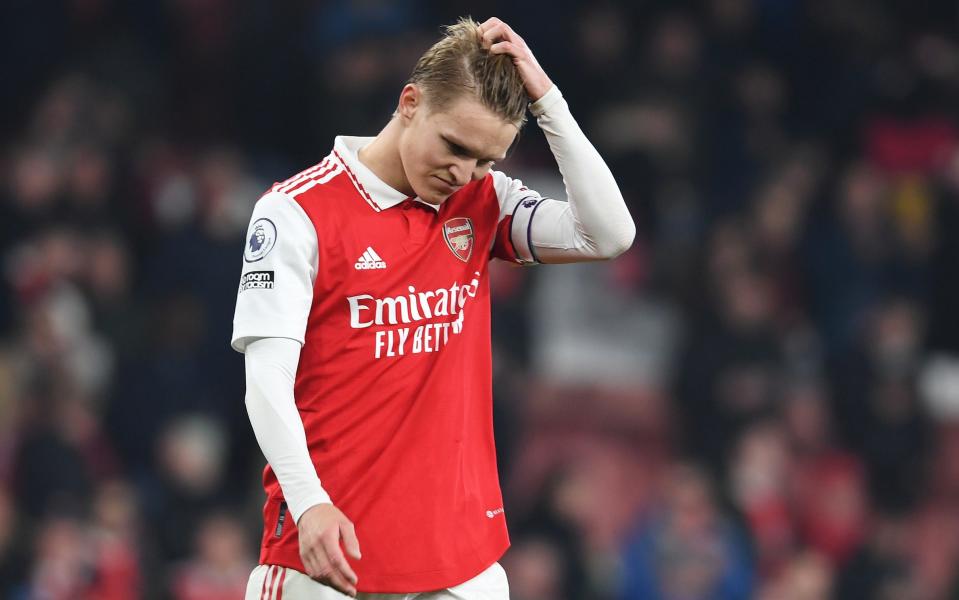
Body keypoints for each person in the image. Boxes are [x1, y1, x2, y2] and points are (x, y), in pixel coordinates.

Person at [232, 16, 635, 600]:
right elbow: (265, 379)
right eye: (455, 146)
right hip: (330, 557)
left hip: (461, 565)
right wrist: (310, 502)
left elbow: (608, 234)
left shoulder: (482, 202)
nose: (463, 173)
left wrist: (547, 101)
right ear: (410, 102)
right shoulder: (296, 213)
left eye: (485, 160)